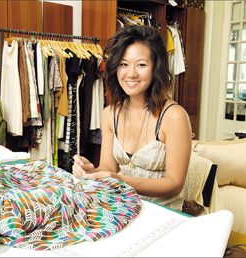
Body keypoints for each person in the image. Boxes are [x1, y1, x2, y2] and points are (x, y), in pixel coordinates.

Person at [72, 25, 192, 211]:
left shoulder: (174, 116)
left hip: (163, 213)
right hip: (124, 208)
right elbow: (108, 167)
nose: (131, 73)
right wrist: (92, 171)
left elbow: (175, 184)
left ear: (156, 67)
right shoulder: (110, 114)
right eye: (123, 64)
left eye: (141, 65)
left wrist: (120, 180)